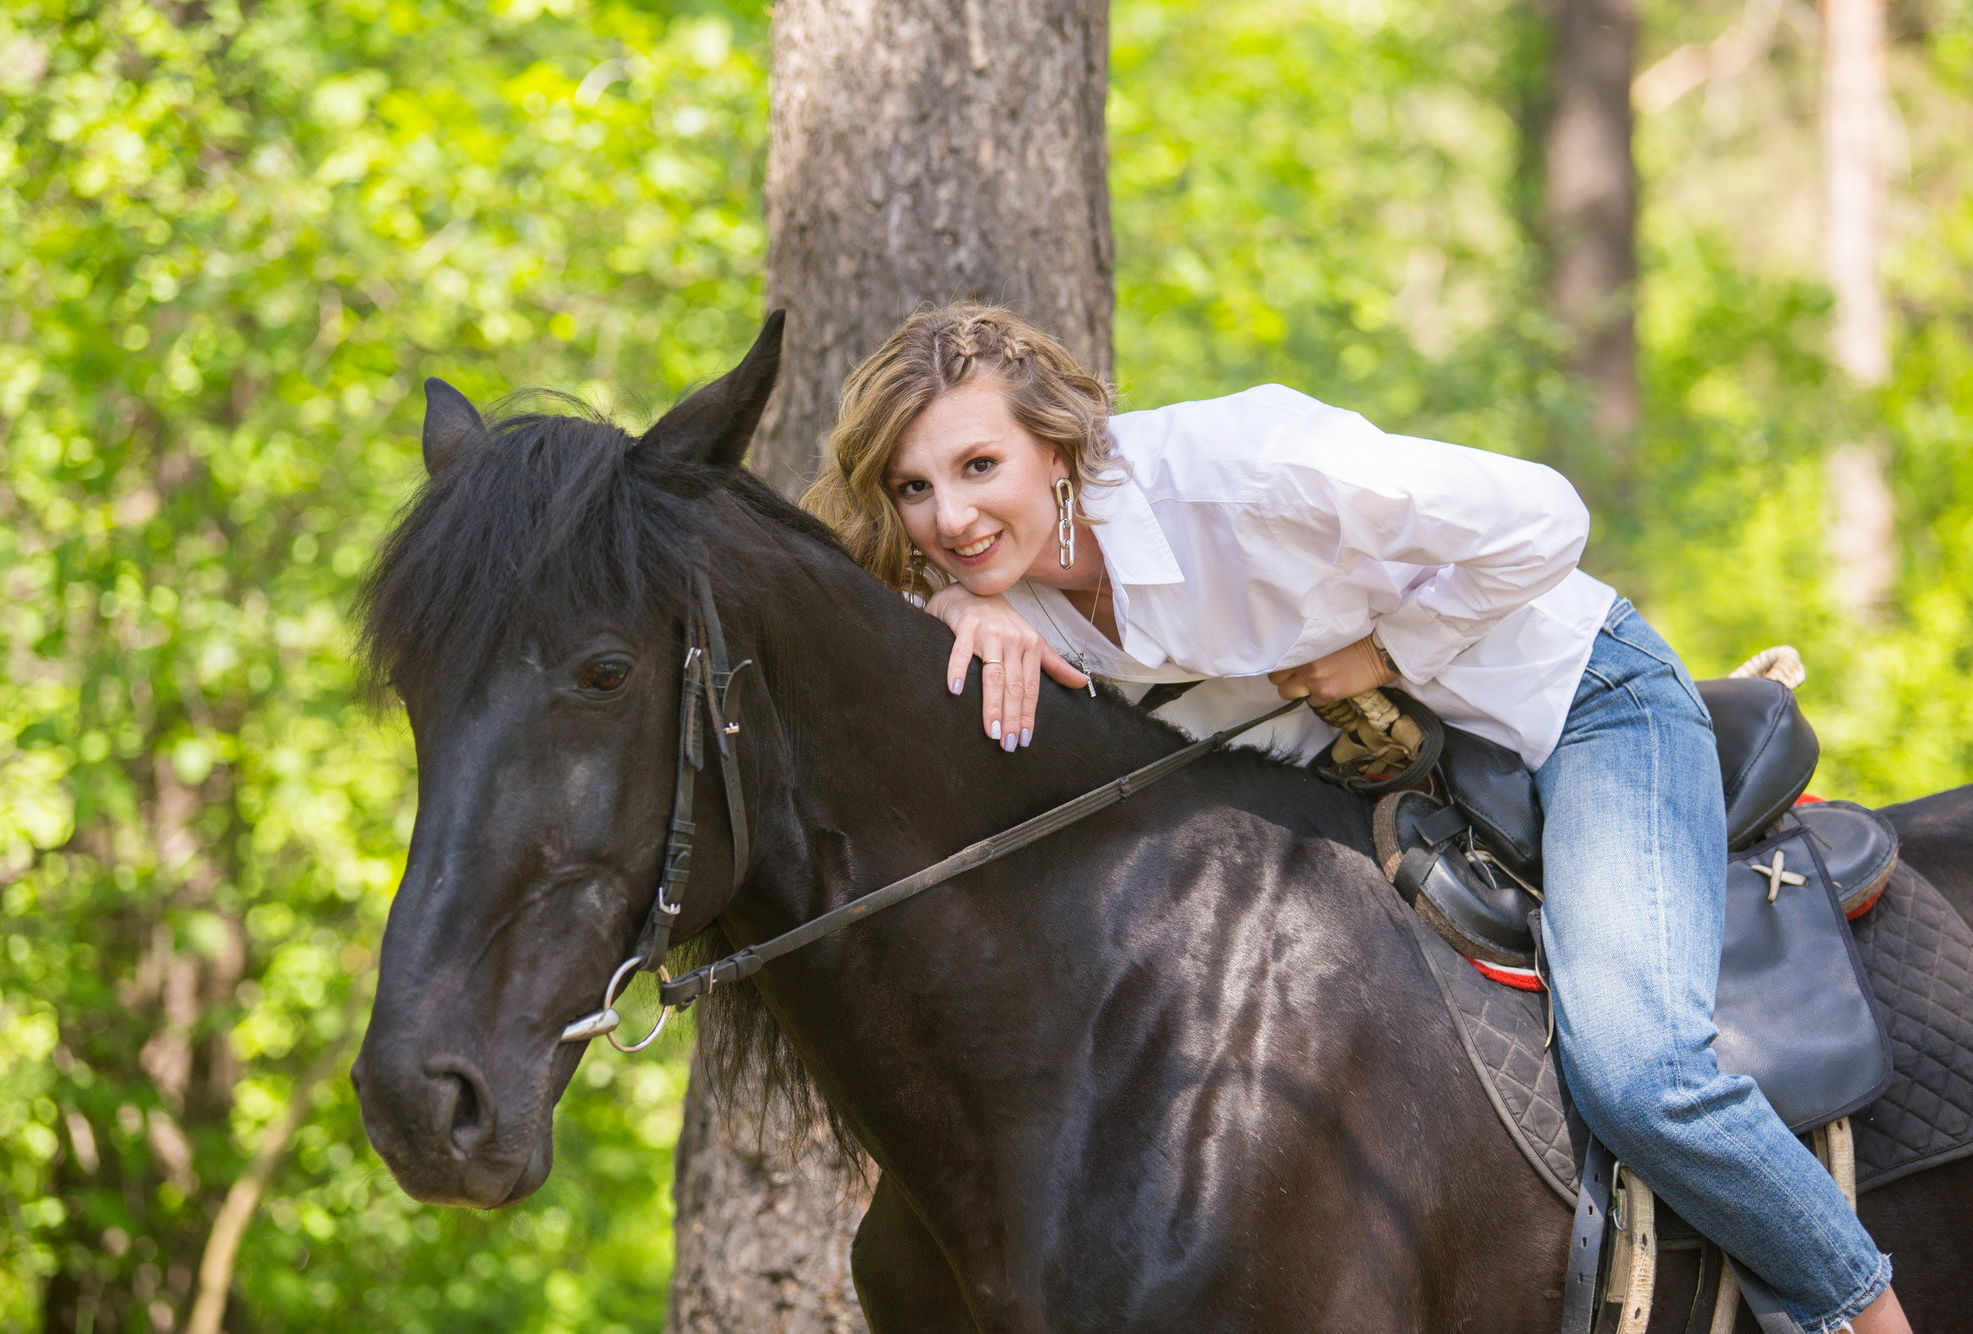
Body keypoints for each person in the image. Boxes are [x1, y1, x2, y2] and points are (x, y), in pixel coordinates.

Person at [801, 303, 1911, 1334]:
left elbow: (1544, 513)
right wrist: (946, 602)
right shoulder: (992, 590)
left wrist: (1378, 654)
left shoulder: (1245, 472)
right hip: (1387, 777)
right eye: (911, 487)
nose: (948, 516)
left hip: (1568, 705)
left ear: (1056, 444)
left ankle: (1858, 1307)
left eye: (978, 465)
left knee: (1638, 1071)